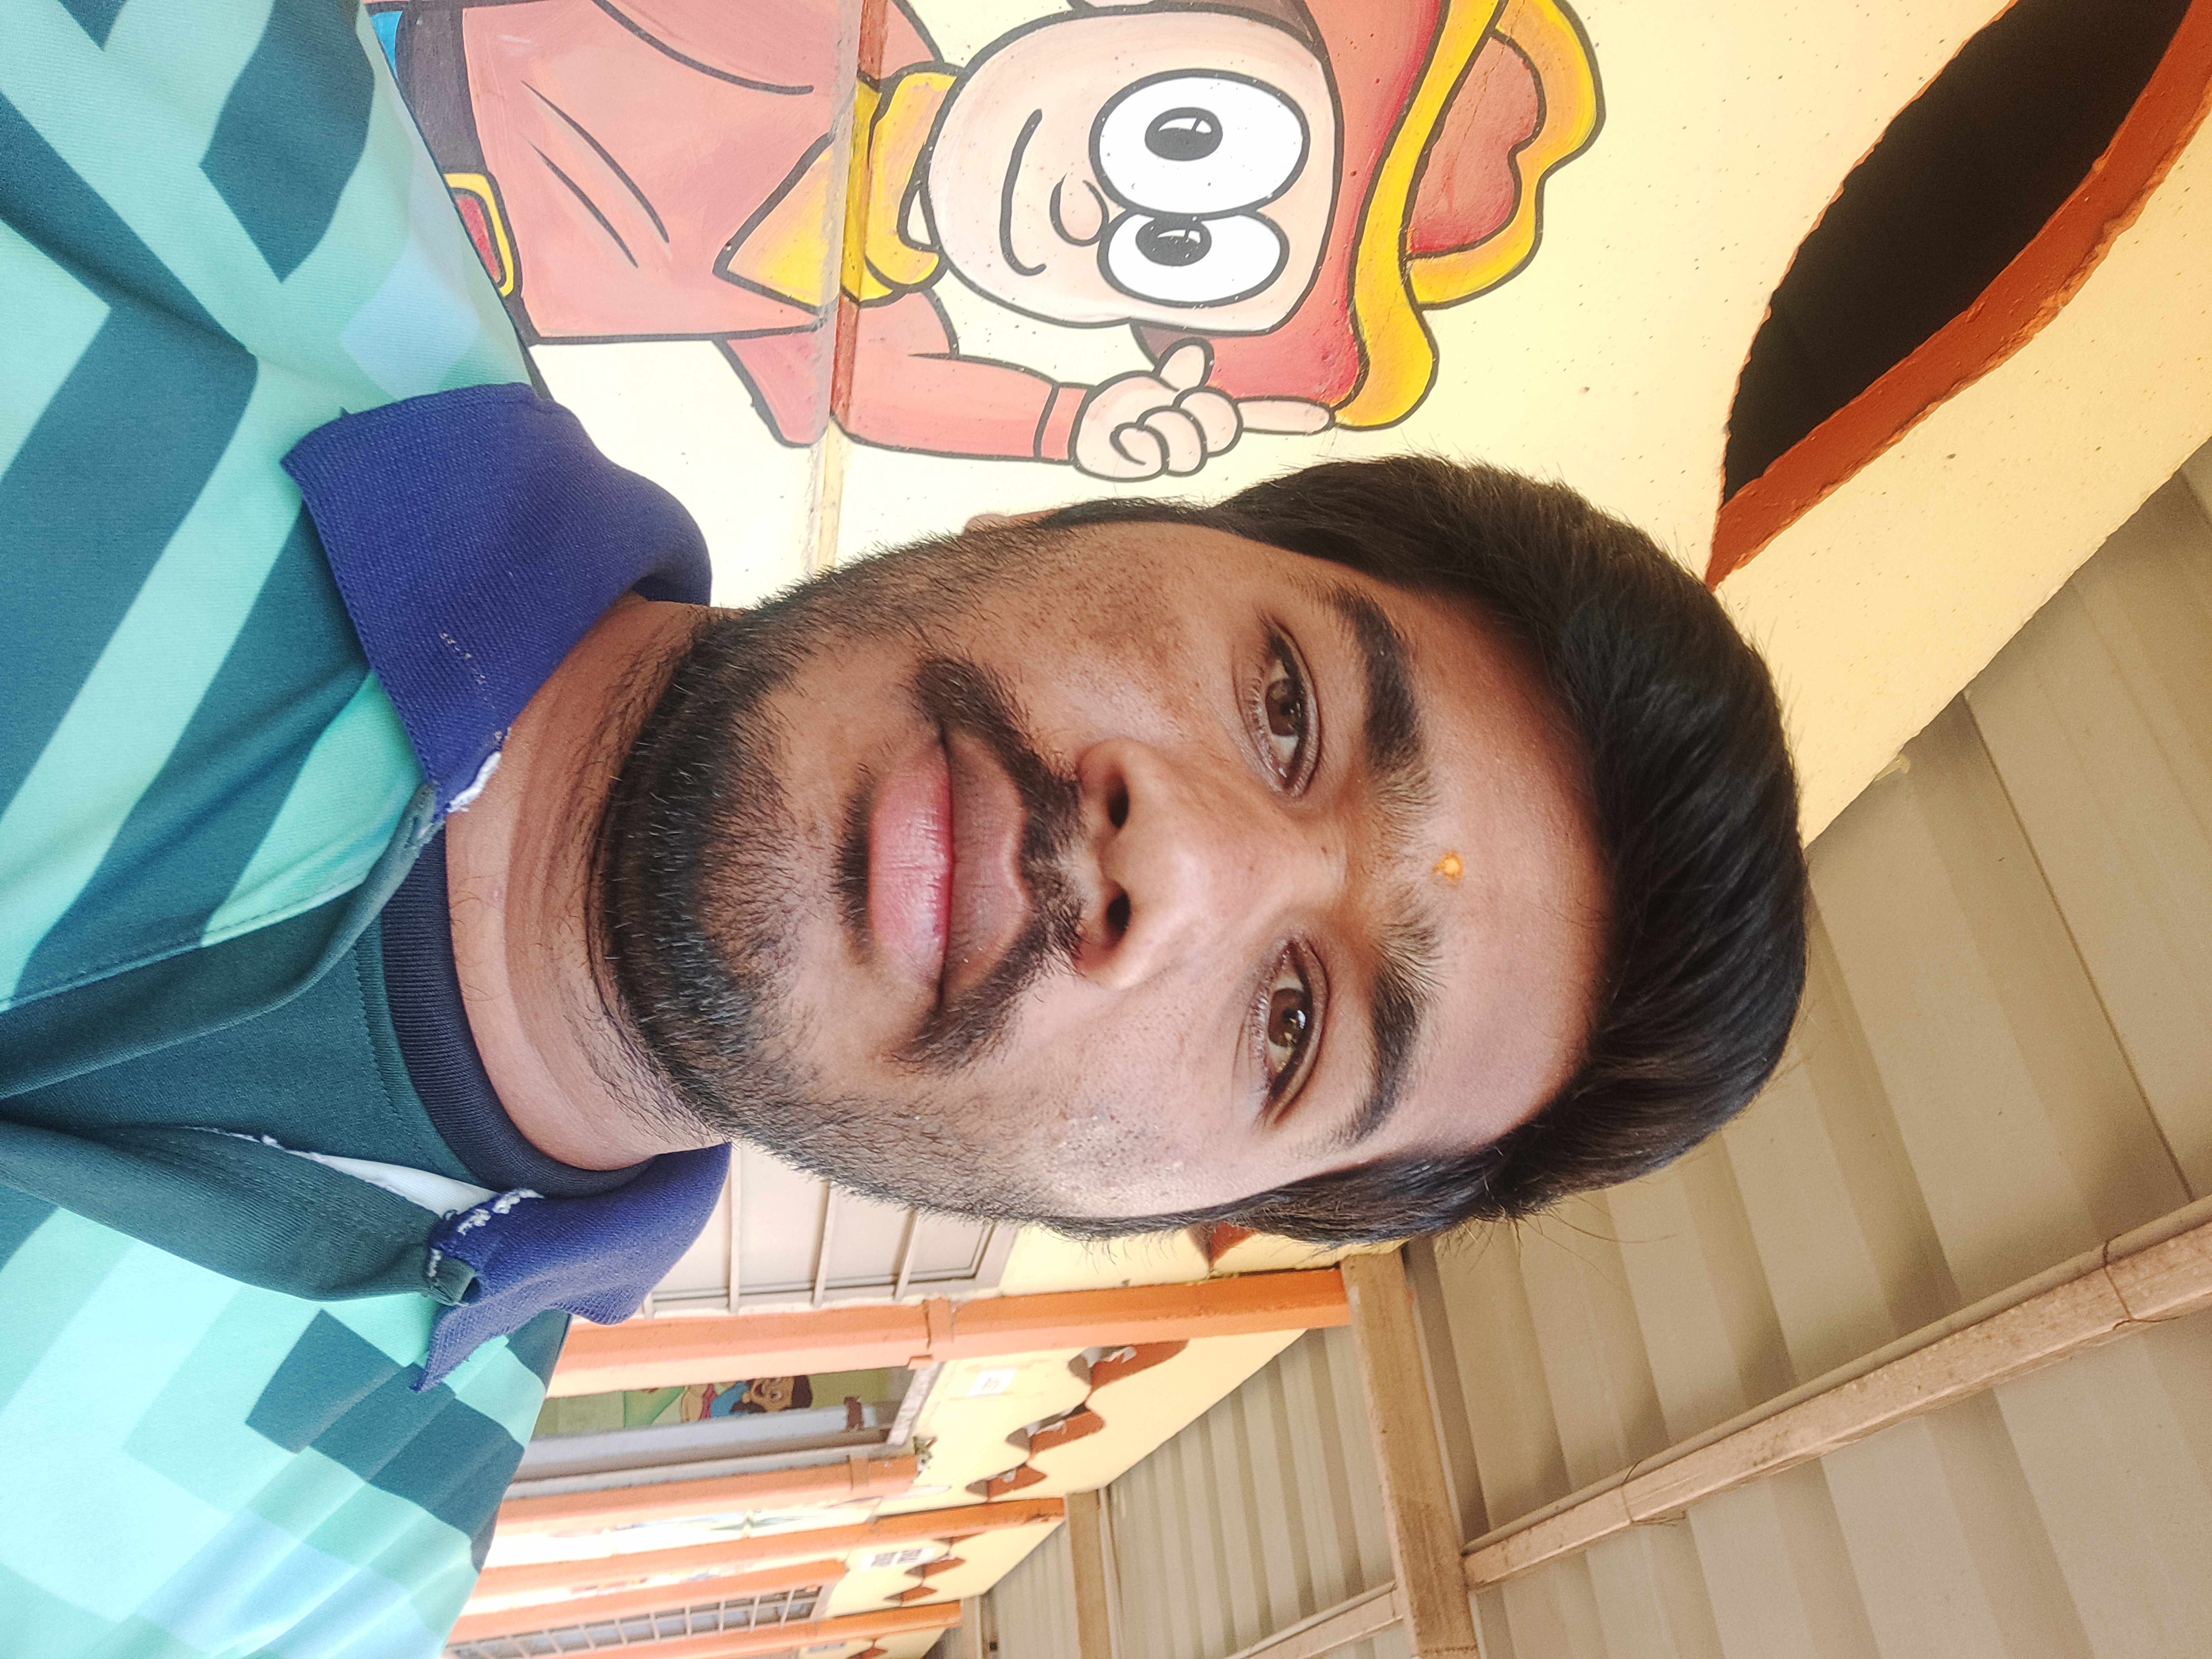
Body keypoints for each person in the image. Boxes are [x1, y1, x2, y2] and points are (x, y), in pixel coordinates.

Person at [0, 3, 1800, 1654]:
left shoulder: (308, 1588)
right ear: (1101, 516)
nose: (1179, 865)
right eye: (1287, 705)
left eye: (1292, 1024)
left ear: (1175, 1212)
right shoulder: (183, 115)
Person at [374, 0, 1600, 476]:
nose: (1099, 209)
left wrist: (1075, 425)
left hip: (394, 273)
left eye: (1176, 256)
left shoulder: (862, 296)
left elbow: (883, 391)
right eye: (1179, 132)